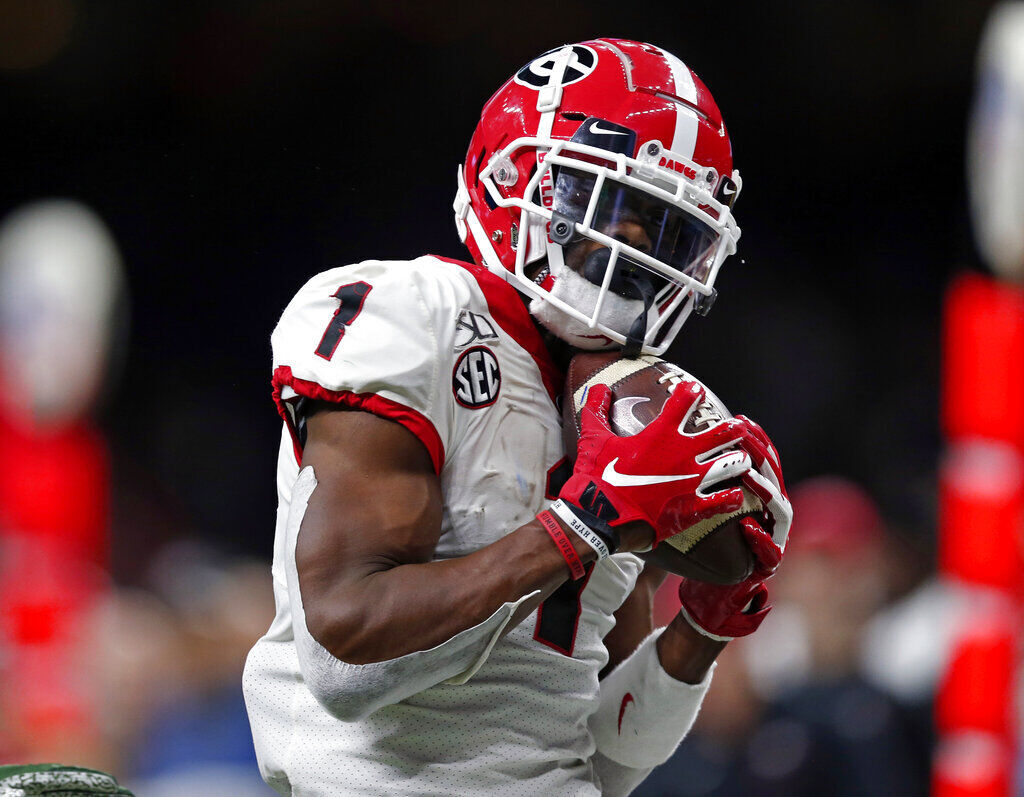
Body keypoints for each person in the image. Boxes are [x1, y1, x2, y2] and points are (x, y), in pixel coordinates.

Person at [243, 38, 792, 796]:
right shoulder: (413, 316)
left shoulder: (626, 406)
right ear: (513, 176)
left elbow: (606, 758)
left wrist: (702, 629)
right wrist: (581, 525)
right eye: (618, 208)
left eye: (669, 233)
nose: (636, 251)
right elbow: (345, 658)